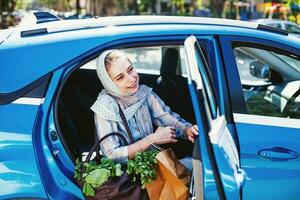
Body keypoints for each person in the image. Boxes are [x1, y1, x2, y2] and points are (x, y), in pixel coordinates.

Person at [90, 49, 198, 170]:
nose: (131, 79)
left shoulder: (144, 93)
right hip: (125, 180)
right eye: (120, 78)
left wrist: (187, 130)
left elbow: (168, 118)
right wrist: (151, 140)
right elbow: (111, 155)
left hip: (152, 167)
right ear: (109, 83)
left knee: (197, 166)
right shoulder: (105, 106)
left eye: (130, 69)